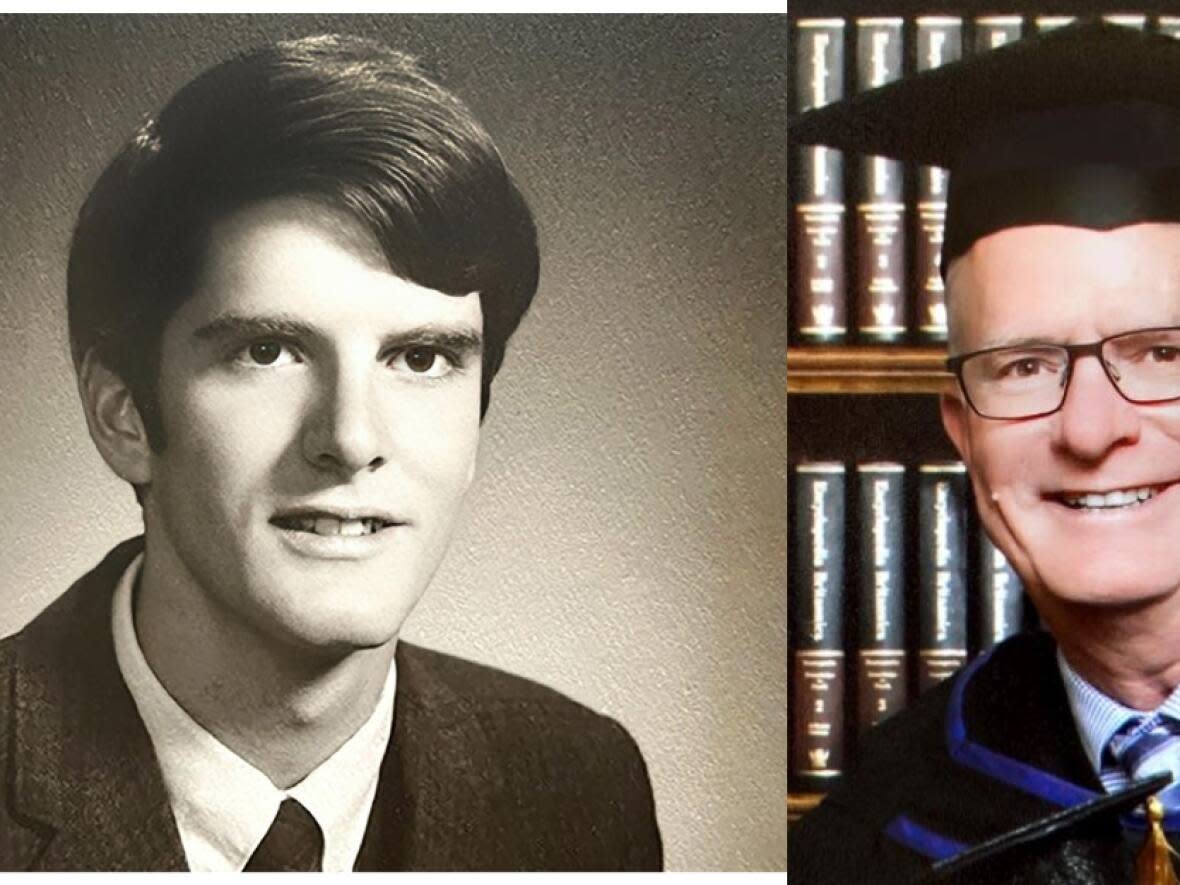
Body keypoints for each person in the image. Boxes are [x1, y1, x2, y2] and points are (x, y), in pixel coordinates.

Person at [0, 33, 662, 872]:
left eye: (420, 358)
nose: (350, 439)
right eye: (268, 351)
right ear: (122, 413)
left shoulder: (579, 783)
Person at [790, 19, 1180, 883]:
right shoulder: (873, 836)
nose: (1089, 428)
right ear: (962, 430)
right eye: (1024, 365)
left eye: (1162, 352)